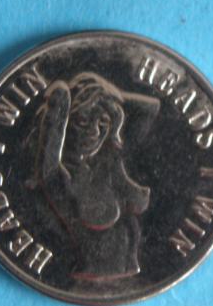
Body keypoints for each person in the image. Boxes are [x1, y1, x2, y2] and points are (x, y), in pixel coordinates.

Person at [31, 72, 159, 281]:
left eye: (102, 123)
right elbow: (49, 157)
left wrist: (108, 97)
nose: (94, 132)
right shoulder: (60, 177)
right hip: (89, 278)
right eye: (82, 121)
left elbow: (152, 107)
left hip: (129, 275)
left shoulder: (108, 166)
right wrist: (69, 100)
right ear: (65, 124)